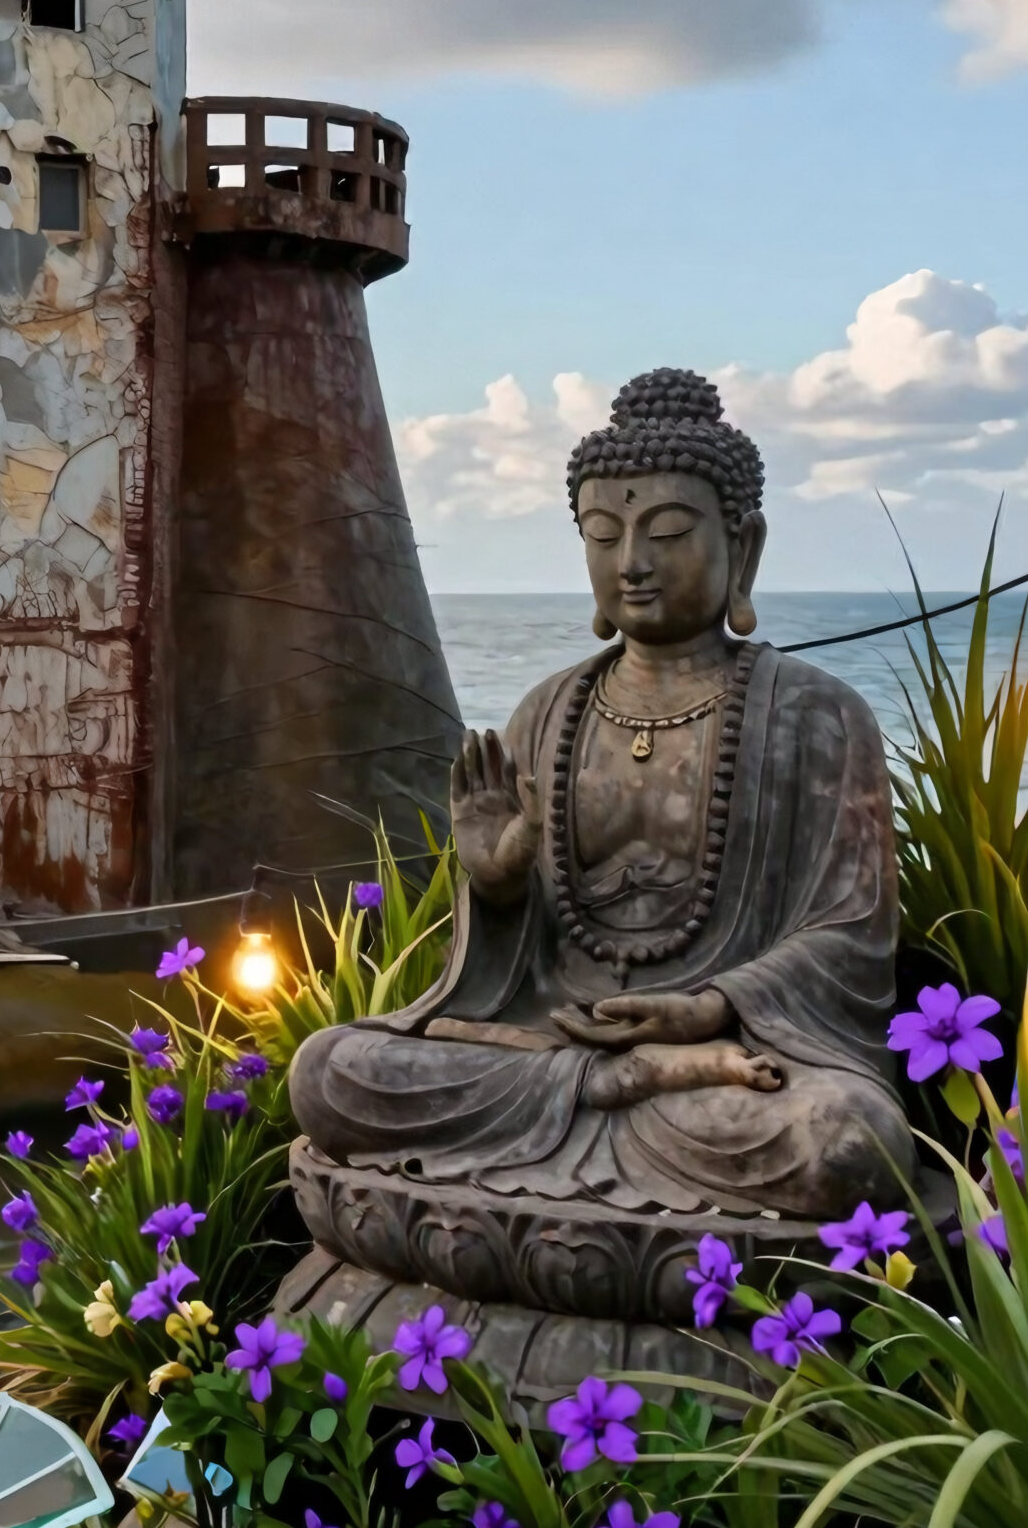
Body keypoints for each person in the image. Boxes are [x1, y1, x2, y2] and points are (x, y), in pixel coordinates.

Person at [289, 369, 911, 1223]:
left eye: (668, 533)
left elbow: (851, 936)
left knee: (846, 1141)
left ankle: (622, 1101)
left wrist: (711, 1007)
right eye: (603, 533)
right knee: (331, 1071)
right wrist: (500, 889)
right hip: (554, 1049)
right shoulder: (548, 712)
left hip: (730, 1060)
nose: (633, 564)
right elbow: (517, 967)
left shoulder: (817, 714)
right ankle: (615, 1085)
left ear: (745, 548)